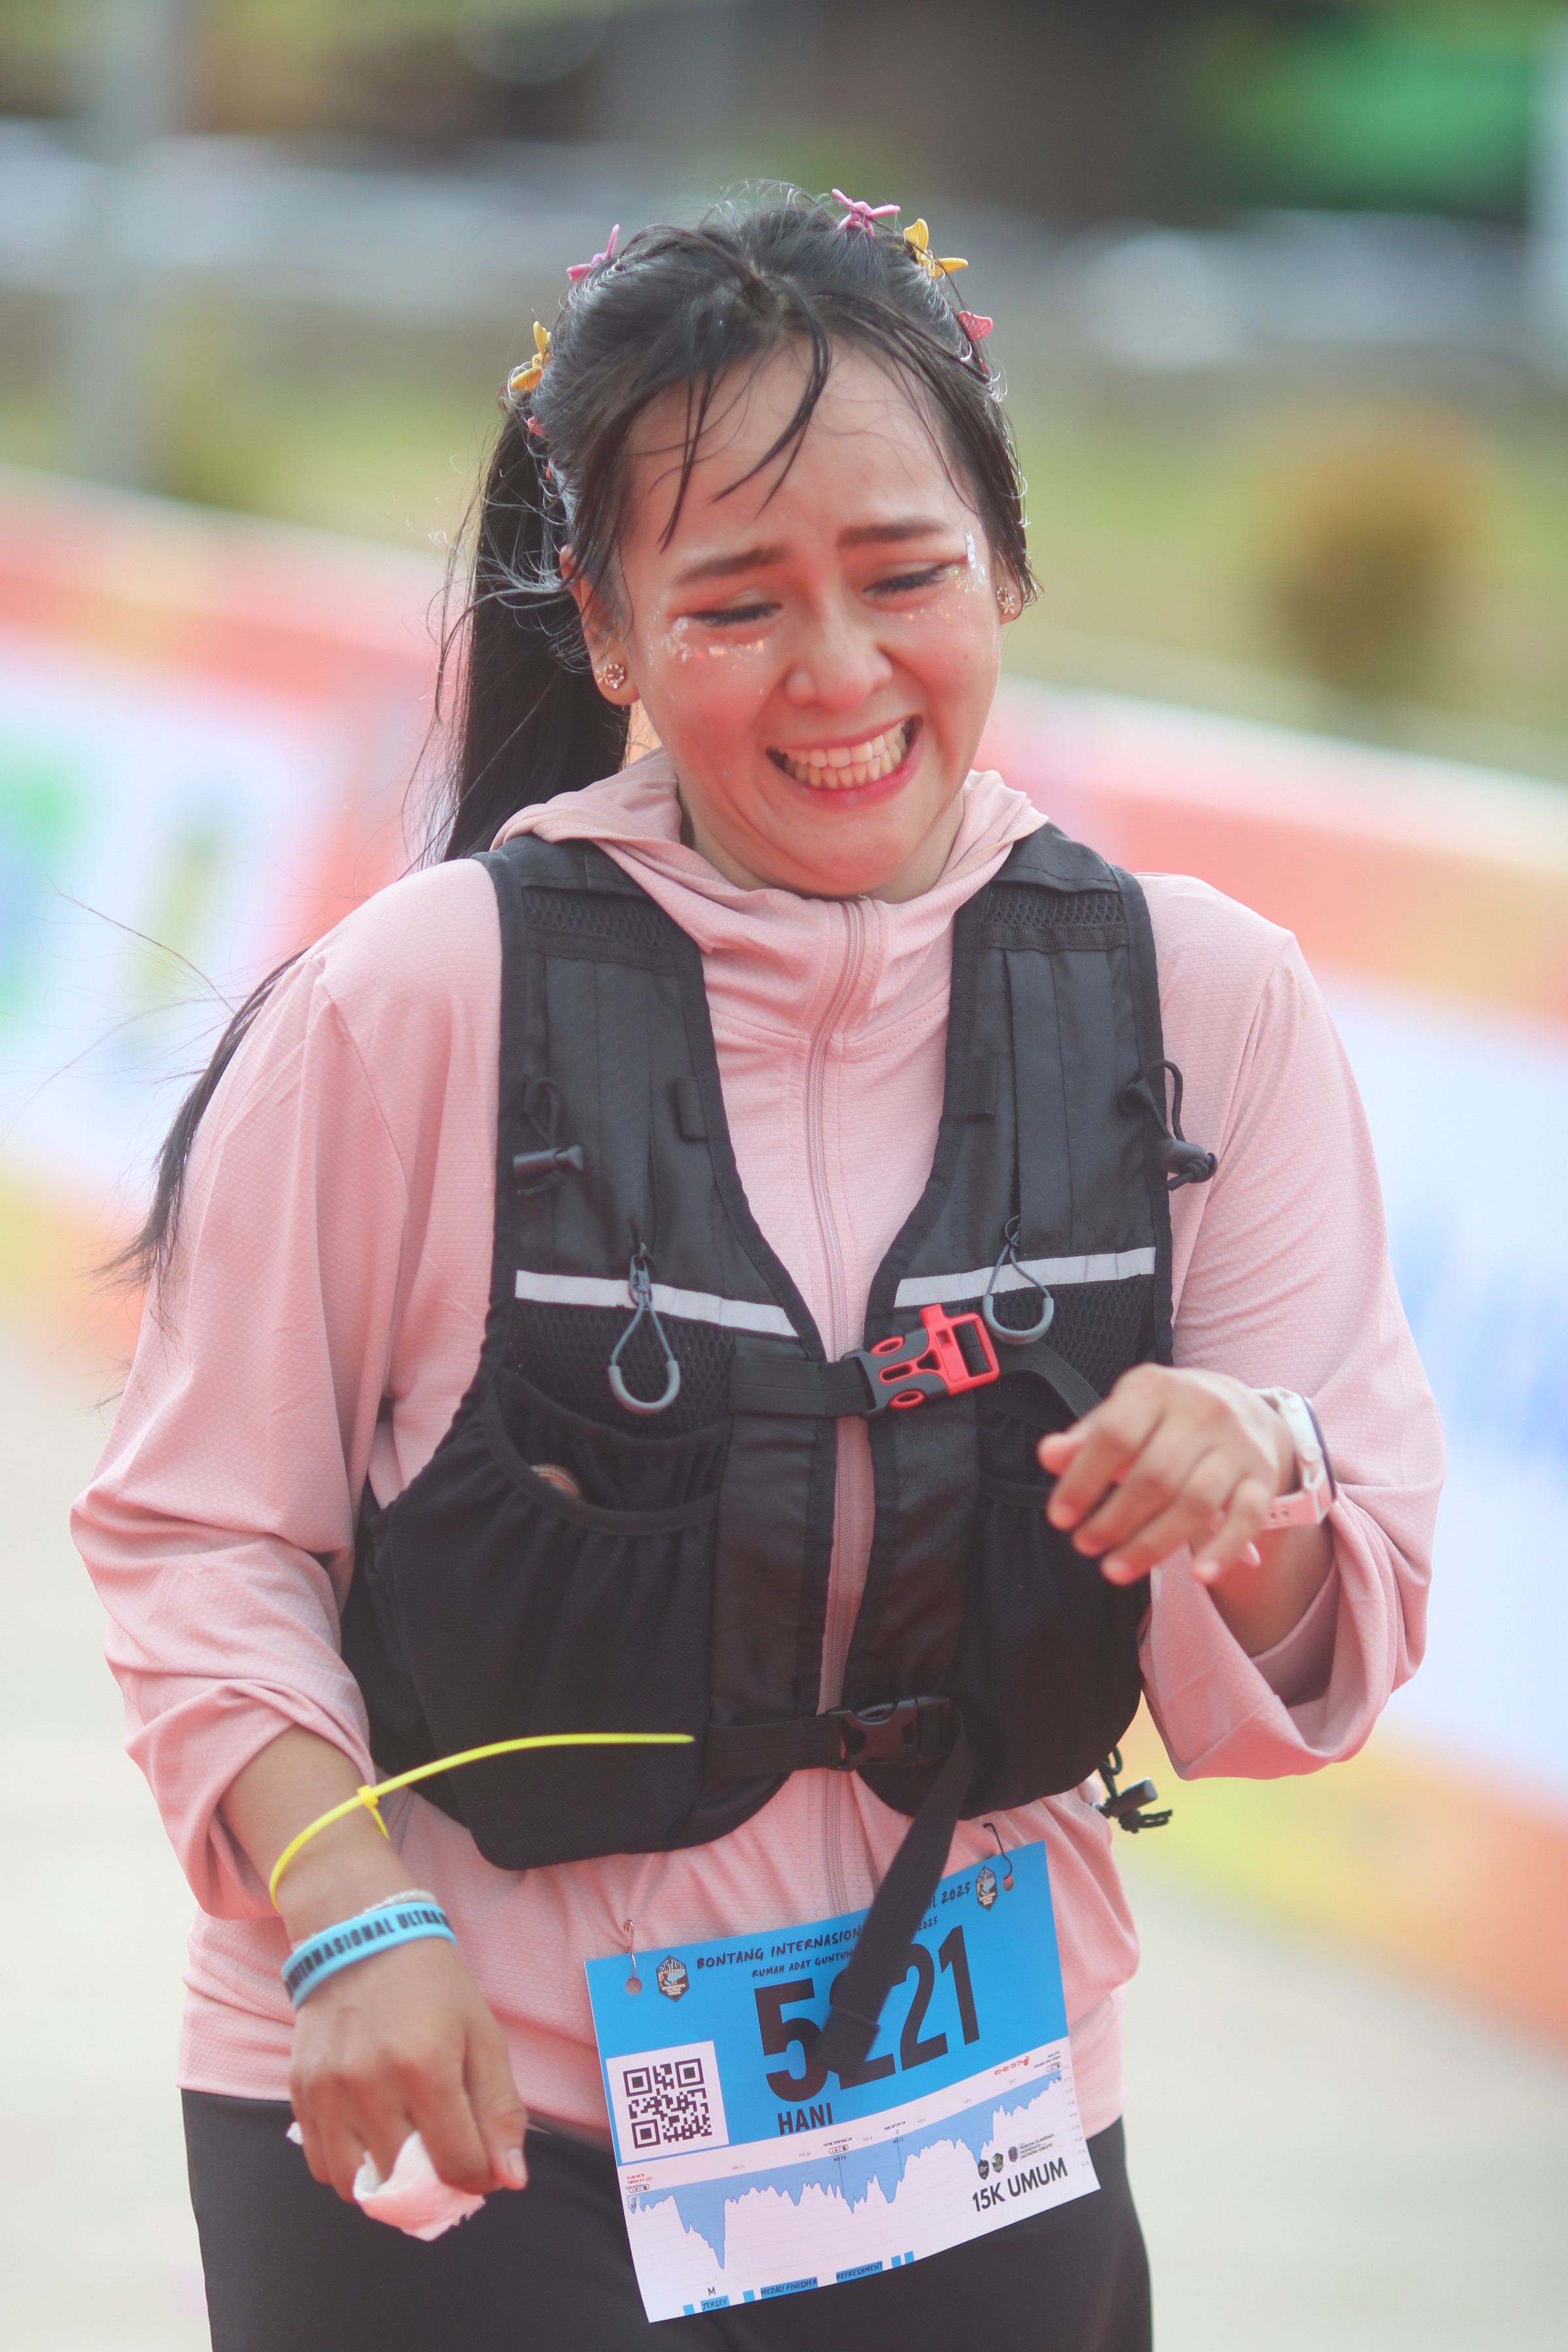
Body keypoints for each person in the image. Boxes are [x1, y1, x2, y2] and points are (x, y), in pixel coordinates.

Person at [73, 190, 1441, 2352]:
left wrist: (1246, 1481)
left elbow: (1321, 1654)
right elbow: (202, 1532)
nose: (841, 674)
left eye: (904, 577)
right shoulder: (415, 1000)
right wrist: (344, 1920)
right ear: (607, 631)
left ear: (1006, 565)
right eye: (736, 603)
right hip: (458, 2115)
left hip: (969, 2125)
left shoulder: (1210, 1005)